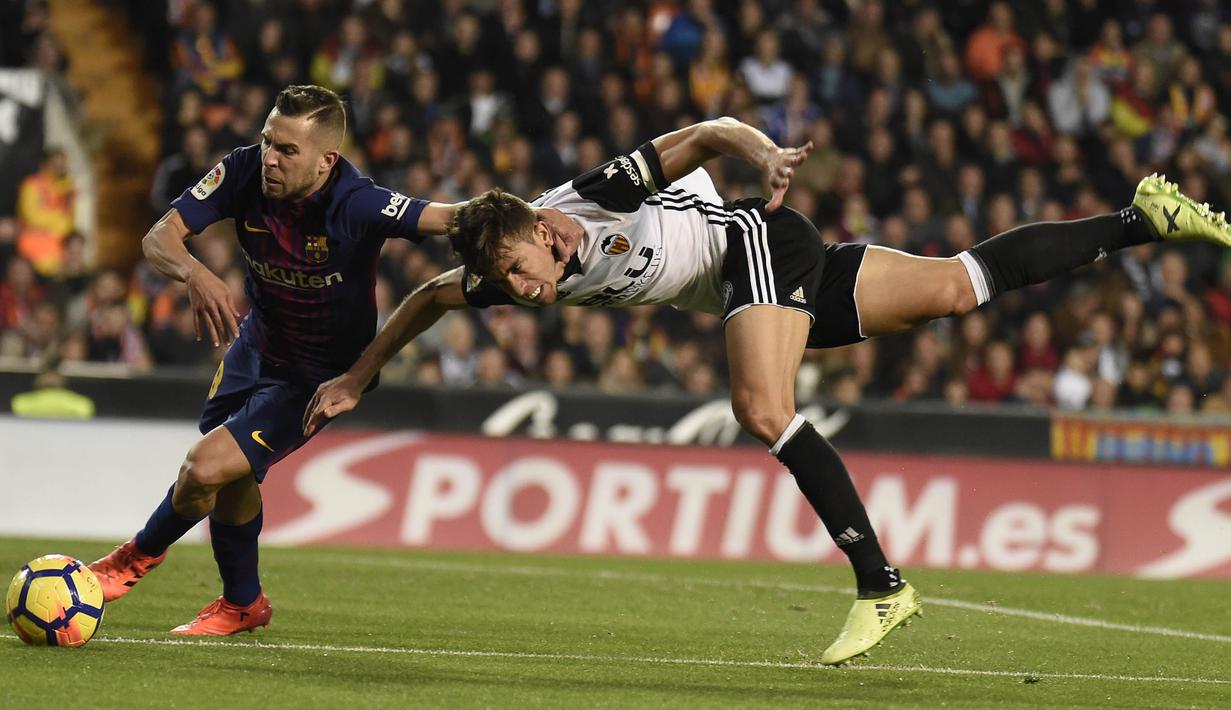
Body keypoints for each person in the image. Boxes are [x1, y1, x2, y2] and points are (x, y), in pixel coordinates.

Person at [302, 116, 1230, 664]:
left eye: (519, 272)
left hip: (761, 242)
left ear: (542, 231)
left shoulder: (596, 195)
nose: (523, 294)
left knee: (760, 410)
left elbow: (707, 132)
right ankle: (1142, 217)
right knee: (955, 285)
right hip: (768, 280)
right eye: (508, 286)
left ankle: (880, 583)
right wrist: (356, 375)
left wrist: (768, 155)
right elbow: (428, 292)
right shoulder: (507, 266)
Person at [88, 85, 459, 635]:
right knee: (228, 480)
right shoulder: (242, 172)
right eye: (267, 141)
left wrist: (544, 218)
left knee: (203, 469)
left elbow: (449, 217)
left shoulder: (356, 203)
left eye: (287, 150)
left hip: (315, 379)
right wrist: (195, 272)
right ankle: (243, 604)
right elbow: (158, 237)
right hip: (253, 349)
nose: (270, 158)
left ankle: (130, 562)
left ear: (326, 160)